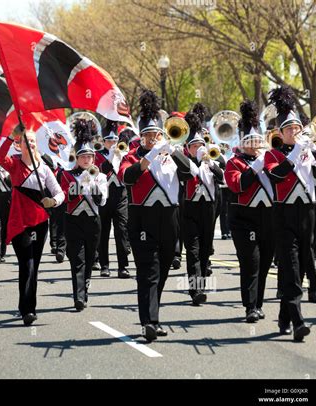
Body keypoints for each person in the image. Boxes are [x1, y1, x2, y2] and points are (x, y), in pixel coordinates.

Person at [118, 90, 194, 342]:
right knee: (148, 271)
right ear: (141, 137)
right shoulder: (131, 156)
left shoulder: (171, 156)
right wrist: (150, 156)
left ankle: (154, 317)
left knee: (161, 271)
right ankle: (148, 322)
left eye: (157, 134)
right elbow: (127, 177)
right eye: (148, 135)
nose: (153, 138)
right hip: (142, 219)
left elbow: (191, 173)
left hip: (170, 219)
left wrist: (174, 151)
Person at [264, 85, 316, 341]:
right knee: (289, 267)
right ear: (280, 132)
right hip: (283, 214)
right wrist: (293, 158)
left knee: (301, 265)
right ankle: (299, 321)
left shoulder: (307, 151)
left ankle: (283, 315)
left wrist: (312, 150)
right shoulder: (273, 154)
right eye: (289, 129)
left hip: (308, 214)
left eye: (297, 128)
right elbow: (276, 175)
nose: (294, 132)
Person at [0, 130, 64, 326]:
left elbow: (60, 193)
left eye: (32, 141)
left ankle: (26, 306)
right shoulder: (14, 163)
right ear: (20, 144)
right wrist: (10, 137)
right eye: (26, 141)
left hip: (40, 222)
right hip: (19, 222)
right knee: (27, 264)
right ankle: (28, 310)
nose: (30, 144)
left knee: (34, 266)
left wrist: (53, 201)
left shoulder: (44, 167)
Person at [225, 100, 276, 323]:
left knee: (264, 262)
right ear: (243, 142)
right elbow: (238, 186)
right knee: (251, 262)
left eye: (258, 140)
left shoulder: (269, 160)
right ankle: (250, 306)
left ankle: (258, 303)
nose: (256, 144)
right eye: (251, 140)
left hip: (268, 217)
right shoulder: (233, 163)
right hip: (244, 219)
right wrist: (256, 167)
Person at [60, 119, 108, 311]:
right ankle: (78, 296)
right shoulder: (66, 175)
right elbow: (65, 198)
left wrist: (93, 184)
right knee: (77, 258)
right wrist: (78, 185)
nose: (87, 160)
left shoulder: (101, 177)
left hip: (92, 221)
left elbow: (102, 201)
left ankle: (85, 288)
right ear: (77, 158)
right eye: (83, 157)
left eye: (89, 156)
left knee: (89, 258)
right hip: (73, 220)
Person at [182, 111, 224, 306]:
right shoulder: (182, 163)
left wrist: (208, 161)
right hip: (189, 209)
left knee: (205, 249)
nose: (198, 148)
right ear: (187, 148)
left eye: (200, 145)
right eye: (194, 146)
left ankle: (201, 285)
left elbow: (221, 177)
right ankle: (195, 290)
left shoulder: (211, 161)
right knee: (193, 250)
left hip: (208, 208)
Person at [94, 119, 131, 279]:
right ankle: (104, 265)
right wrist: (110, 158)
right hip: (104, 197)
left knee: (121, 231)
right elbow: (99, 171)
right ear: (104, 141)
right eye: (109, 140)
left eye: (115, 140)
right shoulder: (97, 155)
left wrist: (120, 155)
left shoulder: (124, 154)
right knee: (103, 232)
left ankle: (123, 266)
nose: (113, 143)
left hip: (121, 196)